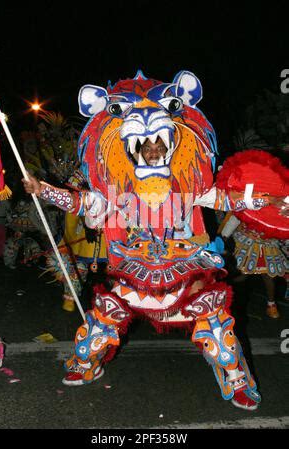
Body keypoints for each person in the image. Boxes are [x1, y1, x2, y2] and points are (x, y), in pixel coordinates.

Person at [23, 70, 287, 411]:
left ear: (171, 148)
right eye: (145, 148)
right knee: (95, 333)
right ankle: (85, 365)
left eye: (158, 146)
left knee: (219, 332)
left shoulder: (189, 190)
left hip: (187, 279)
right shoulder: (118, 194)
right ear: (131, 151)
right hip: (132, 280)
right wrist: (42, 190)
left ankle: (236, 380)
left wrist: (271, 200)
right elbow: (81, 202)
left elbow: (229, 199)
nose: (152, 152)